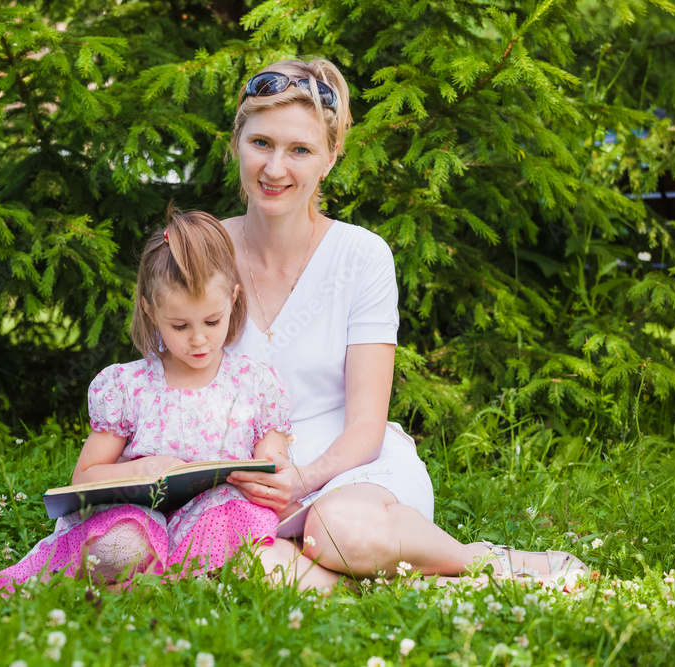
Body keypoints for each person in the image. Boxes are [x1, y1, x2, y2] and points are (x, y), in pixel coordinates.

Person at [218, 57, 587, 589]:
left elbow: (366, 427)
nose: (275, 168)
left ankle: (488, 562)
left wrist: (301, 481)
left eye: (300, 150)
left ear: (329, 159)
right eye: (261, 144)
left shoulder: (361, 256)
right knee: (253, 570)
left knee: (341, 533)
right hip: (248, 488)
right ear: (237, 143)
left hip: (349, 474)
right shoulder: (198, 251)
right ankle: (401, 581)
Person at [0, 207, 292, 594]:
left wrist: (270, 480)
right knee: (122, 544)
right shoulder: (129, 386)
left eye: (212, 321)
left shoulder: (255, 383)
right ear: (151, 310)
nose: (198, 339)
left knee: (234, 521)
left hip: (212, 519)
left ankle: (176, 581)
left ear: (233, 300)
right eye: (180, 326)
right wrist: (141, 469)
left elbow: (274, 465)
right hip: (138, 516)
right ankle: (129, 576)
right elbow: (84, 477)